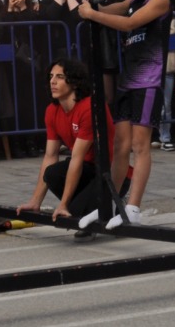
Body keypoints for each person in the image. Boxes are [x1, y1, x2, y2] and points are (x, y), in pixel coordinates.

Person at [75, 0, 174, 229]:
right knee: (120, 146)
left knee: (140, 145)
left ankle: (133, 207)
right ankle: (109, 203)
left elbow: (129, 24)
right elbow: (104, 11)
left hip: (148, 81)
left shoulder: (161, 1)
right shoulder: (134, 1)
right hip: (128, 81)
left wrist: (93, 13)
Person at [20, 56, 112, 224]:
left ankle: (101, 203)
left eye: (60, 77)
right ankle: (88, 205)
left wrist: (63, 204)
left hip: (108, 172)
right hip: (85, 169)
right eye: (51, 77)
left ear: (75, 83)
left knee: (73, 212)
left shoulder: (89, 107)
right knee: (52, 173)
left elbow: (77, 157)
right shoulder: (52, 111)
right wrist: (35, 202)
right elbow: (50, 156)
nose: (53, 82)